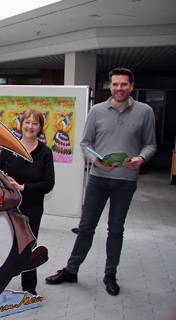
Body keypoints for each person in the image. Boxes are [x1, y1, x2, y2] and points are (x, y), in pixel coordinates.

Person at [45, 68, 157, 296]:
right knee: (86, 228)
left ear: (131, 86)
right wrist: (96, 161)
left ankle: (110, 275)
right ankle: (71, 270)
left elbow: (151, 144)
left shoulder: (145, 112)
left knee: (116, 229)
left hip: (126, 180)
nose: (119, 88)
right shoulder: (96, 111)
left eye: (124, 84)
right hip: (98, 179)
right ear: (110, 86)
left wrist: (141, 158)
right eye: (115, 84)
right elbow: (85, 144)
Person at [0, 109, 55, 295]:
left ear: (40, 128)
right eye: (27, 122)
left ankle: (29, 288)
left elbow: (49, 183)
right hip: (8, 207)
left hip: (32, 207)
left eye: (35, 123)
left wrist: (23, 187)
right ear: (21, 124)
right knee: (4, 246)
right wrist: (3, 178)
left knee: (28, 246)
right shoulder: (9, 147)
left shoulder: (45, 153)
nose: (30, 126)